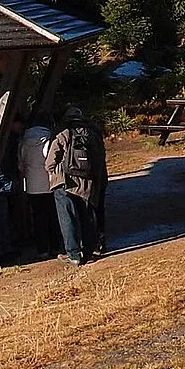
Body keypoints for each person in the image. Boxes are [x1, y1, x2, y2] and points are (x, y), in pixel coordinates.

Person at [44, 106, 106, 264]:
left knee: (67, 218)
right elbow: (100, 157)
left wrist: (51, 172)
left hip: (64, 182)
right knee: (86, 217)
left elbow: (51, 159)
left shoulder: (63, 132)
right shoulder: (92, 133)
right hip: (86, 181)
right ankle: (88, 251)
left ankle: (73, 254)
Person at [16, 116, 55, 254]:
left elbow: (21, 164)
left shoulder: (24, 142)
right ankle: (55, 246)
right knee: (52, 216)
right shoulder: (49, 139)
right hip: (49, 183)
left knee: (38, 218)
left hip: (32, 186)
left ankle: (42, 249)